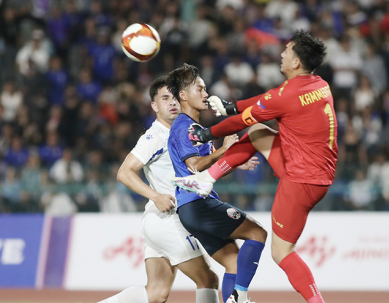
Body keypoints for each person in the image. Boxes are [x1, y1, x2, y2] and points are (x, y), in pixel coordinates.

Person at [173, 30, 337, 303]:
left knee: (281, 253)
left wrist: (207, 133)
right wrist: (230, 106)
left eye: (287, 51)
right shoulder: (318, 84)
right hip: (318, 171)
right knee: (259, 133)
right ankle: (208, 179)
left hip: (300, 180)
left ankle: (316, 301)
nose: (282, 54)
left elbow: (243, 120)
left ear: (296, 62)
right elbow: (265, 102)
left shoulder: (287, 95)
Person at [98, 76, 219, 303]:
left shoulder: (183, 131)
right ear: (154, 106)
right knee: (208, 280)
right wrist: (156, 196)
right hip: (168, 219)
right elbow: (124, 172)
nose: (172, 102)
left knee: (156, 293)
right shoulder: (155, 136)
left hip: (159, 220)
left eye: (174, 97)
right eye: (164, 98)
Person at [166, 64, 267, 303]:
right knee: (257, 233)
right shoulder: (184, 127)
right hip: (197, 205)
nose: (205, 94)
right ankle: (239, 298)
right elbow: (195, 166)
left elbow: (210, 167)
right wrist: (224, 149)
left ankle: (234, 298)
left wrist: (233, 161)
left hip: (191, 209)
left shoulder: (196, 128)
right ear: (183, 95)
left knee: (233, 263)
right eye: (199, 89)